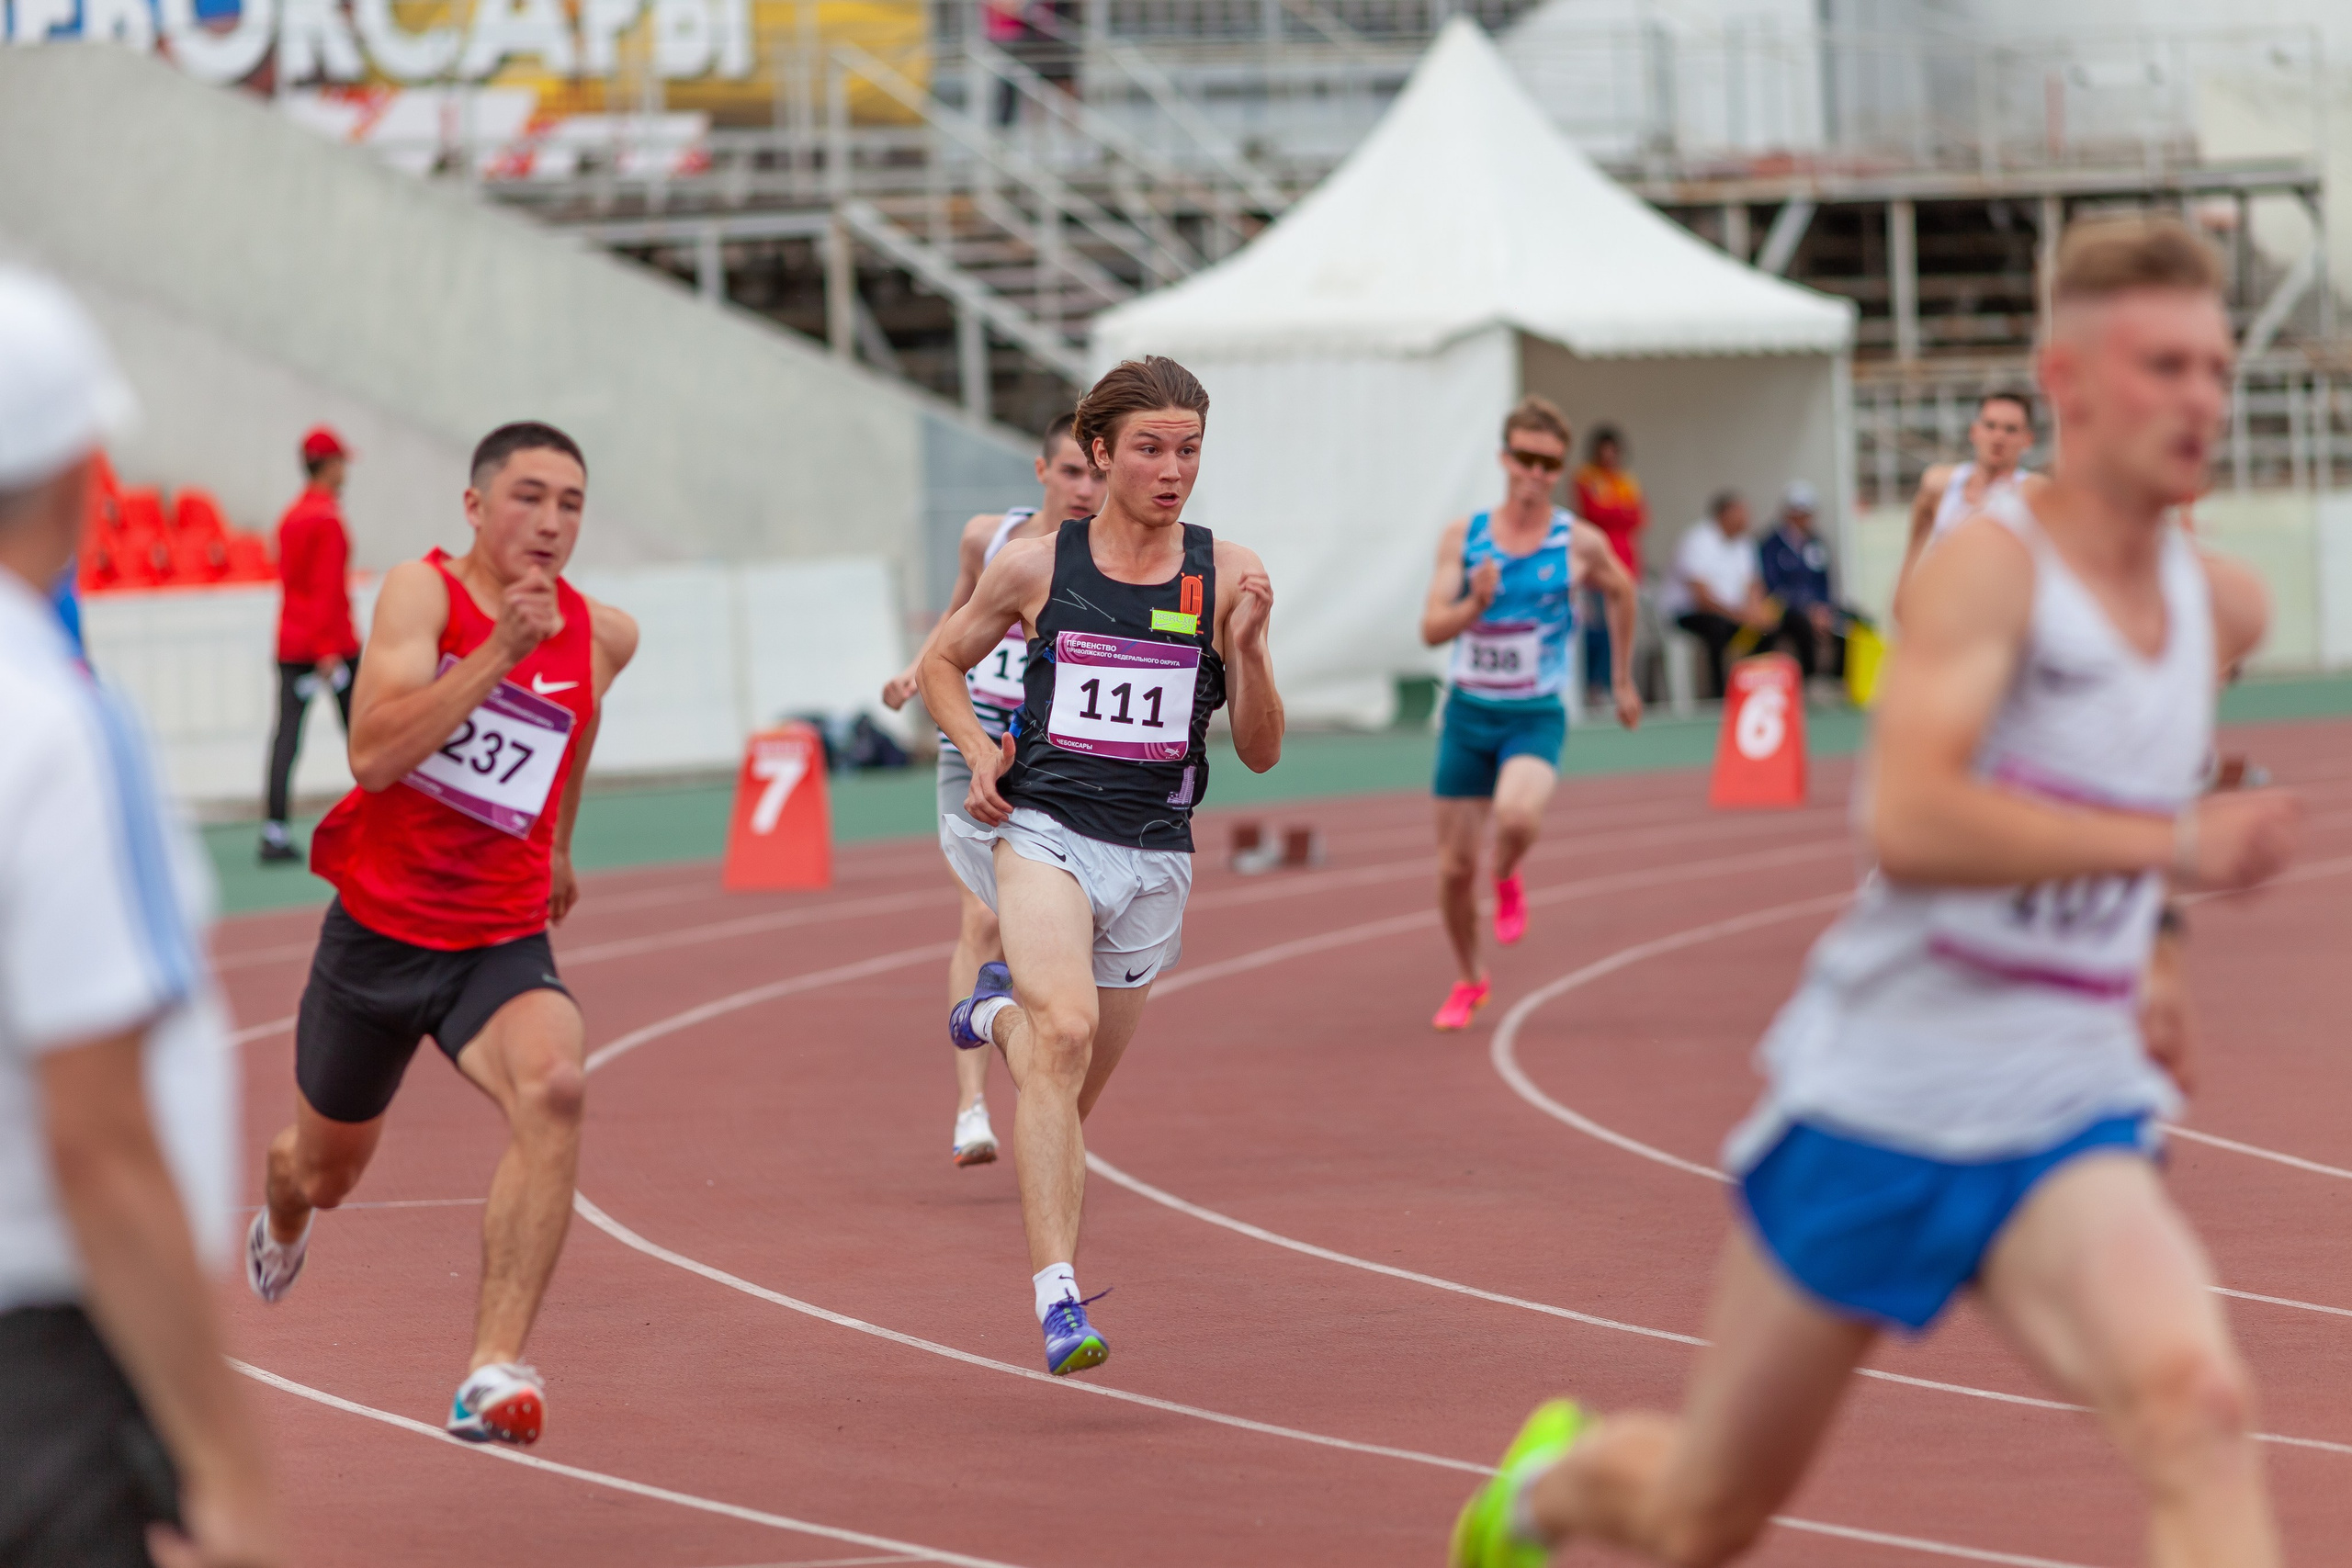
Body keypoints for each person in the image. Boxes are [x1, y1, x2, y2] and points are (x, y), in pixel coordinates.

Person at [1450, 215, 2299, 1568]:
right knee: (1704, 1515)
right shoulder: (1990, 571)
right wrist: (2170, 849)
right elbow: (1909, 818)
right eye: (2160, 365)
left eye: (2212, 364)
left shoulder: (2222, 606)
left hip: (2070, 1096)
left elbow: (2126, 762)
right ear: (2067, 381)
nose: (2198, 396)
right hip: (1885, 1095)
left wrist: (2165, 949)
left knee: (2196, 1405)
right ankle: (1548, 1490)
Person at [245, 422, 639, 1449]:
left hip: (497, 942)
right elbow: (374, 754)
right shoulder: (425, 596)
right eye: (528, 498)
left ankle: (490, 1368)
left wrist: (557, 844)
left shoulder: (603, 632)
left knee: (556, 1083)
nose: (551, 523)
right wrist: (499, 652)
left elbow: (579, 721)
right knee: (324, 1174)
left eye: (571, 503)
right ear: (474, 508)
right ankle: (284, 1213)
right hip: (377, 939)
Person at [919, 355, 1282, 1376]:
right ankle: (1059, 1301)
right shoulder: (1036, 565)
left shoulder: (1228, 572)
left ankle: (990, 1016)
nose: (1172, 470)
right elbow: (945, 661)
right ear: (1098, 452)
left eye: (1189, 450)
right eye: (1150, 449)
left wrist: (1248, 653)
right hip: (1045, 833)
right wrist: (984, 752)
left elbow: (1258, 750)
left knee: (1061, 1099)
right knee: (1065, 1033)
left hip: (1154, 856)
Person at [0, 268, 285, 1567]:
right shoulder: (54, 722)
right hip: (36, 1359)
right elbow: (97, 1132)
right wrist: (220, 1451)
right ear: (77, 470)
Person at [881, 413, 1104, 1168]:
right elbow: (958, 612)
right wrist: (922, 667)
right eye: (1071, 472)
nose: (1086, 488)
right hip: (968, 744)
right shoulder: (989, 535)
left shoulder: (1108, 556)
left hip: (1047, 758)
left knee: (1066, 934)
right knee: (981, 915)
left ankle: (1046, 1084)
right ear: (1042, 474)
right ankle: (971, 1107)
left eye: (1097, 474)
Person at [1420, 397, 1642, 1032]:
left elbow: (1623, 591)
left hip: (1534, 712)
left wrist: (1622, 679)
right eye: (1525, 459)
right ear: (1505, 458)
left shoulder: (1579, 540)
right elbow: (1432, 629)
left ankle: (1510, 871)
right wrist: (1473, 604)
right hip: (1467, 713)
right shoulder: (1465, 538)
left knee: (1517, 815)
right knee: (1453, 869)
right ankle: (1470, 977)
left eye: (1548, 463)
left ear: (1559, 467)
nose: (1535, 473)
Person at [260, 424, 361, 864]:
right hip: (329, 645)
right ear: (331, 466)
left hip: (292, 643)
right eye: (342, 464)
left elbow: (291, 580)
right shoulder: (327, 519)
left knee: (286, 738)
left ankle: (274, 829)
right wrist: (326, 651)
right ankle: (385, 824)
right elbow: (325, 588)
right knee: (365, 736)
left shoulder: (291, 516)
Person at [1895, 389, 2036, 616]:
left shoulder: (2032, 493)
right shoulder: (1940, 484)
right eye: (1991, 426)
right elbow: (1916, 539)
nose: (1999, 437)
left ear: (2027, 439)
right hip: (1945, 618)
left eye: (2010, 430)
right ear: (1975, 431)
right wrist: (1903, 586)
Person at [1663, 491, 1780, 697]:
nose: (1746, 518)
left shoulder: (1744, 543)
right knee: (1717, 628)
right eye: (1741, 513)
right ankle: (1720, 695)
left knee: (1769, 627)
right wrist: (1740, 616)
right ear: (1724, 514)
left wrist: (1756, 610)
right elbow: (1701, 597)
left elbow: (1754, 583)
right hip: (1689, 613)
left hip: (1733, 613)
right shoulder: (1697, 540)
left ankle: (1757, 689)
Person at [1755, 481, 1863, 685]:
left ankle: (1838, 680)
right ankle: (1809, 679)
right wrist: (1808, 609)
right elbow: (1773, 585)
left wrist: (1823, 609)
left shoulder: (1816, 543)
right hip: (1786, 608)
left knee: (1848, 621)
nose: (1806, 519)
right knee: (1801, 624)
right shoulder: (1770, 545)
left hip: (1817, 608)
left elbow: (1824, 582)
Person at [1572, 425, 1646, 701]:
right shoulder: (1586, 478)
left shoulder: (1627, 481)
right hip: (1598, 567)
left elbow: (1639, 518)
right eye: (1604, 451)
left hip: (1628, 564)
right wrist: (1619, 511)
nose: (1609, 457)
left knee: (1625, 626)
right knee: (1600, 628)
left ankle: (1619, 684)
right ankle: (1595, 686)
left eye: (1613, 451)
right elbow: (1592, 513)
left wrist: (1614, 511)